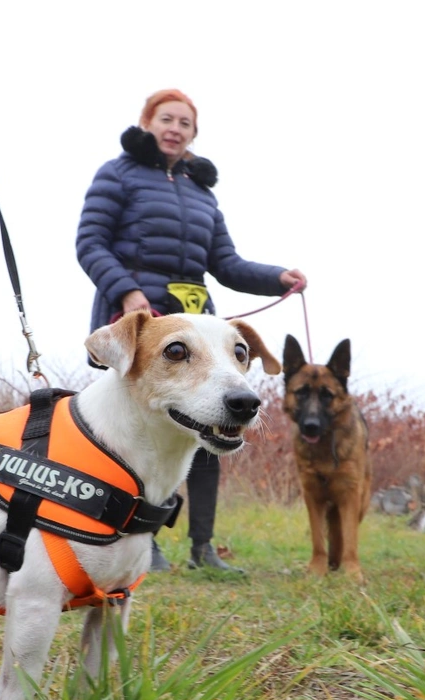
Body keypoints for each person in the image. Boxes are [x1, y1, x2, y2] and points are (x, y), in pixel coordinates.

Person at [76, 88, 306, 573]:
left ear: (193, 134)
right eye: (166, 118)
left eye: (185, 122)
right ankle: (142, 540)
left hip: (196, 324)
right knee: (133, 435)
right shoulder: (117, 174)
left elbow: (224, 262)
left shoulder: (202, 193)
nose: (175, 128)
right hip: (140, 322)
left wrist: (276, 278)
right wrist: (125, 292)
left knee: (213, 426)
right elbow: (90, 242)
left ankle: (203, 547)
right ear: (146, 123)